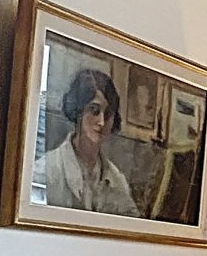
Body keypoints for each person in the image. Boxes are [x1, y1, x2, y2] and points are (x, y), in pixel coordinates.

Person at [43, 66, 140, 216]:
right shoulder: (48, 169)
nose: (101, 122)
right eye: (94, 110)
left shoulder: (116, 180)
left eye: (108, 114)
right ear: (79, 112)